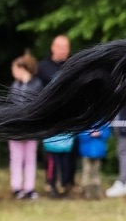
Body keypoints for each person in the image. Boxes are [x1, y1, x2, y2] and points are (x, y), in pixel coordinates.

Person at [38, 35, 76, 197]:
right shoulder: (42, 68)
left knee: (69, 152)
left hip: (70, 115)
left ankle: (67, 182)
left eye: (65, 47)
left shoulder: (73, 65)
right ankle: (51, 183)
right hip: (50, 115)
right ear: (52, 47)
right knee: (52, 151)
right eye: (59, 47)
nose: (62, 50)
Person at [8, 53, 44, 200]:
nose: (13, 73)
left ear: (23, 68)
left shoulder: (37, 85)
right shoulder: (14, 86)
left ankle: (29, 188)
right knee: (16, 158)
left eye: (15, 69)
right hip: (16, 128)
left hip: (30, 128)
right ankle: (16, 187)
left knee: (30, 159)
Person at [77, 121, 112, 200]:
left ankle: (96, 193)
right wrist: (89, 134)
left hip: (98, 152)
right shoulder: (85, 120)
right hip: (86, 152)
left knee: (95, 172)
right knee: (86, 171)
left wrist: (100, 133)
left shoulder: (103, 121)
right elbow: (80, 133)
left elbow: (107, 133)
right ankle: (86, 192)